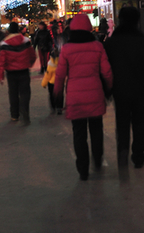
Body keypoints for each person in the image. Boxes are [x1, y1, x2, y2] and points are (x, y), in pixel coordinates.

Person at [54, 13, 113, 181]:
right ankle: (97, 160)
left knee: (79, 134)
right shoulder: (97, 47)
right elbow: (107, 72)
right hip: (95, 95)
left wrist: (57, 95)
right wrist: (108, 89)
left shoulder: (66, 49)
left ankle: (83, 170)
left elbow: (60, 76)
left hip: (75, 99)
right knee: (96, 130)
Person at [103, 6, 144, 169]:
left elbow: (105, 69)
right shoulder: (142, 41)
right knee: (140, 122)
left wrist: (106, 91)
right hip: (140, 90)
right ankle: (138, 156)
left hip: (119, 91)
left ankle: (123, 152)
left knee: (121, 123)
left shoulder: (112, 43)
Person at [0, 22, 36, 125]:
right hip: (24, 71)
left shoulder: (4, 44)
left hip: (11, 73)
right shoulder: (26, 41)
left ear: (9, 31)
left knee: (13, 93)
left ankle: (15, 115)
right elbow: (32, 55)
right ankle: (25, 112)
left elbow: (2, 61)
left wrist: (0, 74)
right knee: (25, 93)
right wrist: (30, 63)